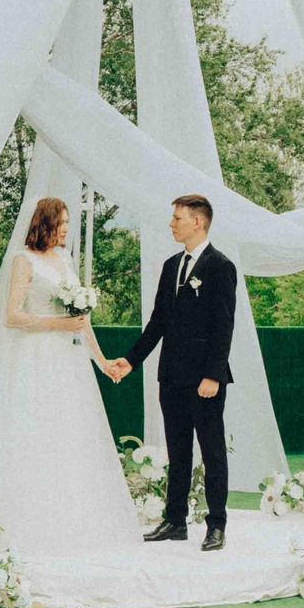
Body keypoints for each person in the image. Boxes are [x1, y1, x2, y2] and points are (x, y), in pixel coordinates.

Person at [0, 197, 141, 561]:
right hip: (35, 356)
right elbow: (11, 316)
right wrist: (57, 325)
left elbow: (82, 320)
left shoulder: (64, 261)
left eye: (68, 223)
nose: (65, 229)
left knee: (70, 432)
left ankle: (73, 515)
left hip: (68, 360)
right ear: (44, 223)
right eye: (60, 222)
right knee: (33, 430)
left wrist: (102, 360)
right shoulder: (23, 261)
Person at [107, 195, 236, 550]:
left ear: (197, 222)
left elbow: (224, 327)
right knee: (178, 452)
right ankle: (175, 520)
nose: (171, 223)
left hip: (205, 381)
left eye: (177, 218)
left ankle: (217, 525)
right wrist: (131, 361)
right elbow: (158, 323)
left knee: (212, 452)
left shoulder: (220, 266)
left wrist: (212, 376)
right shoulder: (170, 266)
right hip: (171, 377)